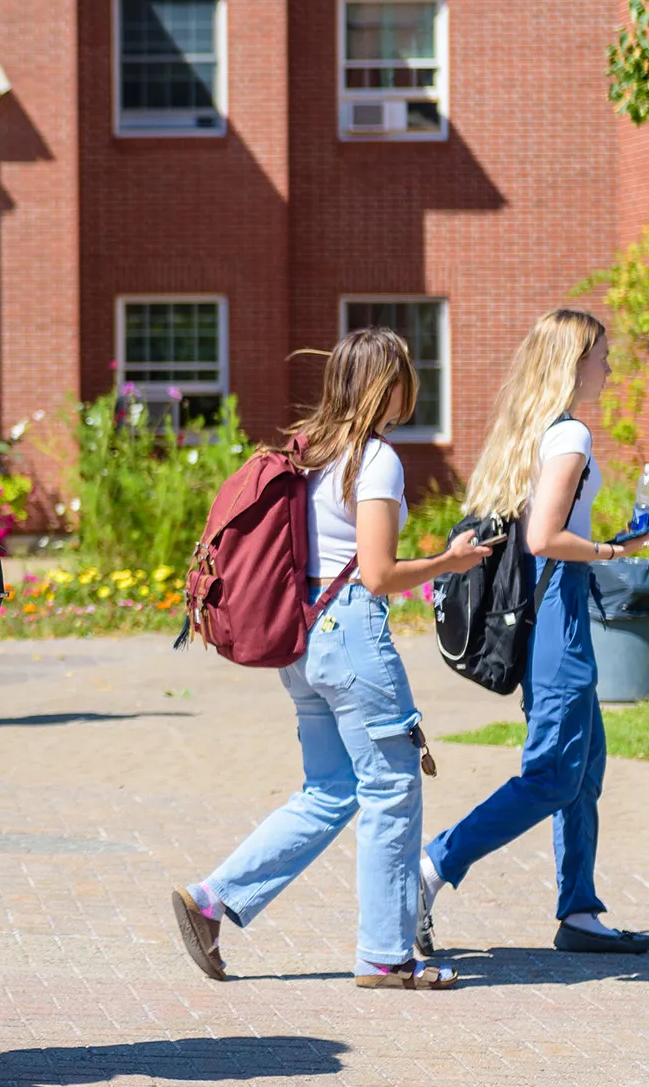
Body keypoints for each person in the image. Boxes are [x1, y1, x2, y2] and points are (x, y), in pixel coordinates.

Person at [171, 327, 491, 989]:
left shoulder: (309, 451)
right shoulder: (374, 459)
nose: (414, 385)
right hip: (350, 635)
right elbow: (376, 574)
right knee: (391, 789)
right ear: (386, 384)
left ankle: (212, 899)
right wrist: (449, 561)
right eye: (406, 373)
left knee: (329, 790)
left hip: (302, 638)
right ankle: (384, 954)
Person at [419, 309, 649, 957]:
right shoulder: (568, 433)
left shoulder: (540, 431)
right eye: (600, 354)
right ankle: (431, 868)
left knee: (584, 768)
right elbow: (546, 536)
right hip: (559, 612)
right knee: (551, 773)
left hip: (550, 607)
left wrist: (621, 538)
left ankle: (578, 911)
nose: (608, 365)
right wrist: (611, 553)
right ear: (572, 362)